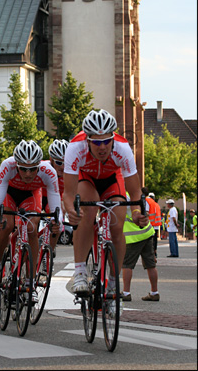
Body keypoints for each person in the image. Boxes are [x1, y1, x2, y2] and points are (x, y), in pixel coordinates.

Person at [63, 109, 148, 295]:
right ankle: (79, 273)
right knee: (87, 211)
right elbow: (68, 193)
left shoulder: (123, 148)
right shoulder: (75, 148)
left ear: (113, 139)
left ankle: (112, 280)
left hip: (111, 180)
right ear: (87, 141)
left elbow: (134, 191)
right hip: (86, 179)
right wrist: (71, 211)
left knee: (117, 226)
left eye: (107, 141)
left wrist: (135, 213)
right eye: (96, 142)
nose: (102, 147)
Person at [0, 140, 62, 301]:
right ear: (16, 164)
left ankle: (30, 281)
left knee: (31, 229)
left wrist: (58, 223)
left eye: (32, 169)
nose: (28, 174)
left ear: (39, 166)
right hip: (9, 194)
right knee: (5, 225)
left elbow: (57, 209)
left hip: (31, 194)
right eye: (23, 169)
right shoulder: (7, 165)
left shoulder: (49, 171)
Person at [122, 193, 160, 301]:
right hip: (147, 232)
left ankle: (126, 293)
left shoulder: (122, 195)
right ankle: (154, 292)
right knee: (150, 264)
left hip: (133, 236)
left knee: (127, 265)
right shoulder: (136, 194)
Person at [41, 139, 69, 252]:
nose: (62, 166)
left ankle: (50, 252)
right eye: (58, 162)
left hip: (53, 200)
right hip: (37, 196)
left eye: (65, 162)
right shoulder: (43, 167)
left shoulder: (69, 174)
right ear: (51, 160)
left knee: (59, 220)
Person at [141, 187, 161, 259]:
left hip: (149, 224)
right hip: (156, 224)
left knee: (149, 241)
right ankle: (154, 253)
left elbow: (146, 212)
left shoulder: (147, 201)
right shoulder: (156, 204)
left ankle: (151, 254)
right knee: (154, 240)